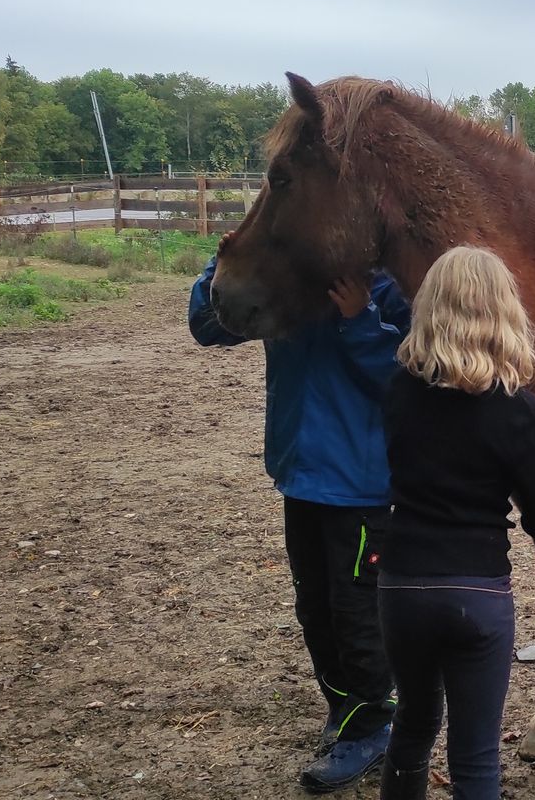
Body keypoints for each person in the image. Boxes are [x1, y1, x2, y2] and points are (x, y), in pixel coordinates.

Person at [188, 234, 409, 792]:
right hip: (300, 474)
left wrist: (359, 319)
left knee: (358, 612)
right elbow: (207, 325)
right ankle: (344, 709)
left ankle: (375, 726)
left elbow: (405, 383)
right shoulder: (281, 281)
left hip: (360, 486)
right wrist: (226, 260)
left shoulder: (383, 288)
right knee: (315, 607)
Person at [377, 246, 535, 800]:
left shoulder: (398, 392)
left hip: (402, 586)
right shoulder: (524, 413)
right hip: (477, 591)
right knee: (476, 757)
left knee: (412, 726)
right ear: (505, 311)